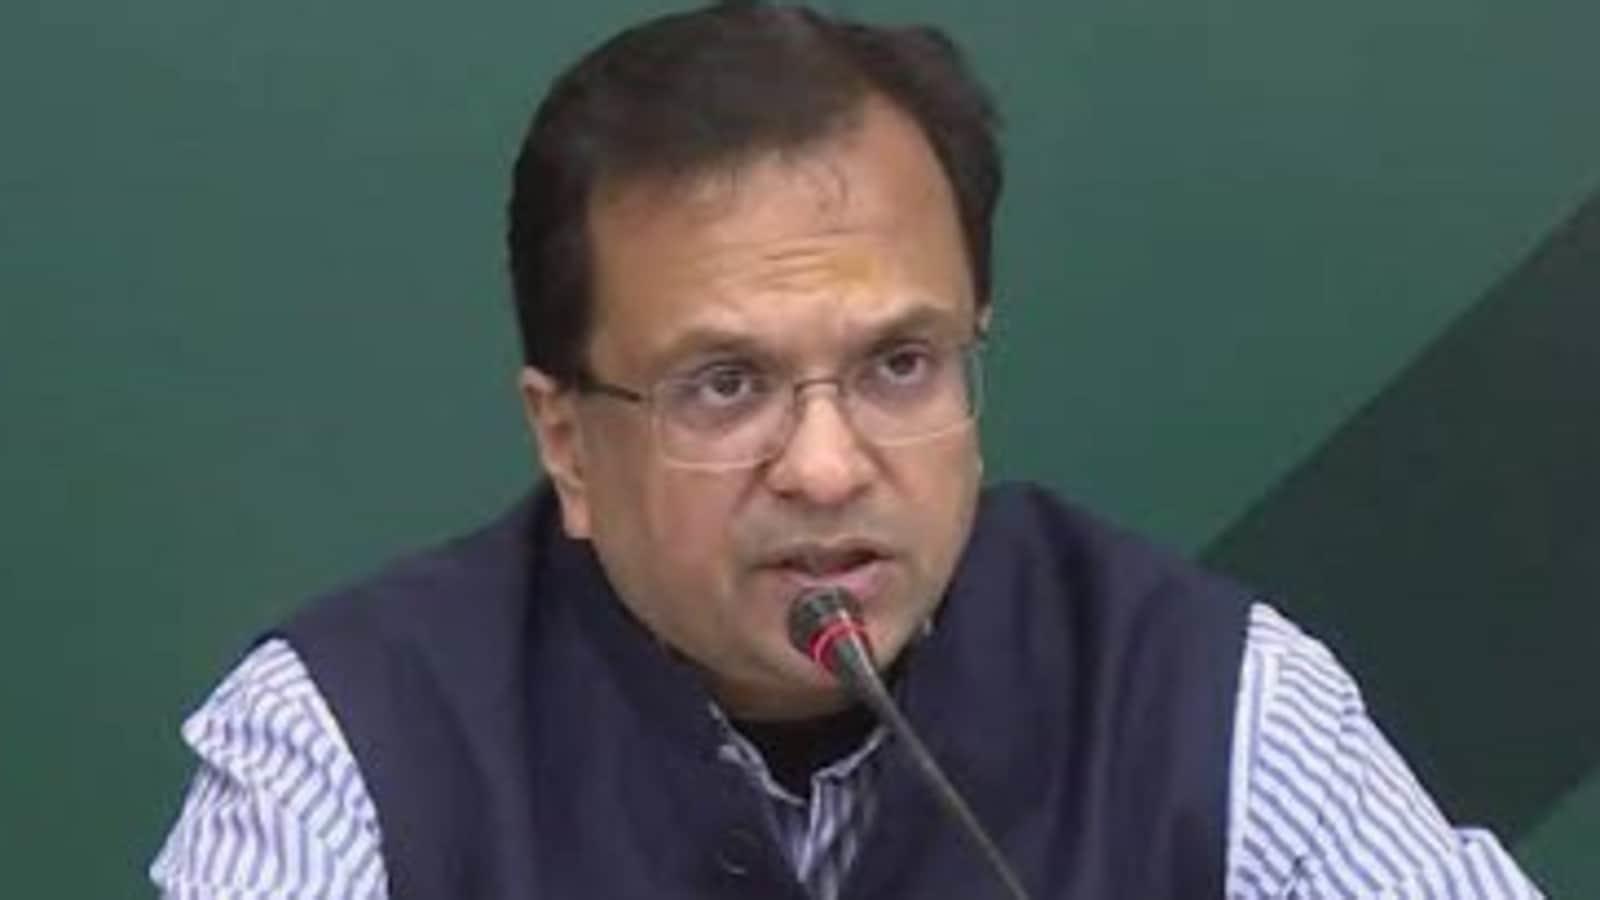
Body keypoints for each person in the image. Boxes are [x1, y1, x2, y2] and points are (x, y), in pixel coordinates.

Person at [150, 4, 1543, 897]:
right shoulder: (347, 746)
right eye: (725, 386)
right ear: (566, 441)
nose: (826, 468)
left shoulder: (1211, 702)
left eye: (899, 365)